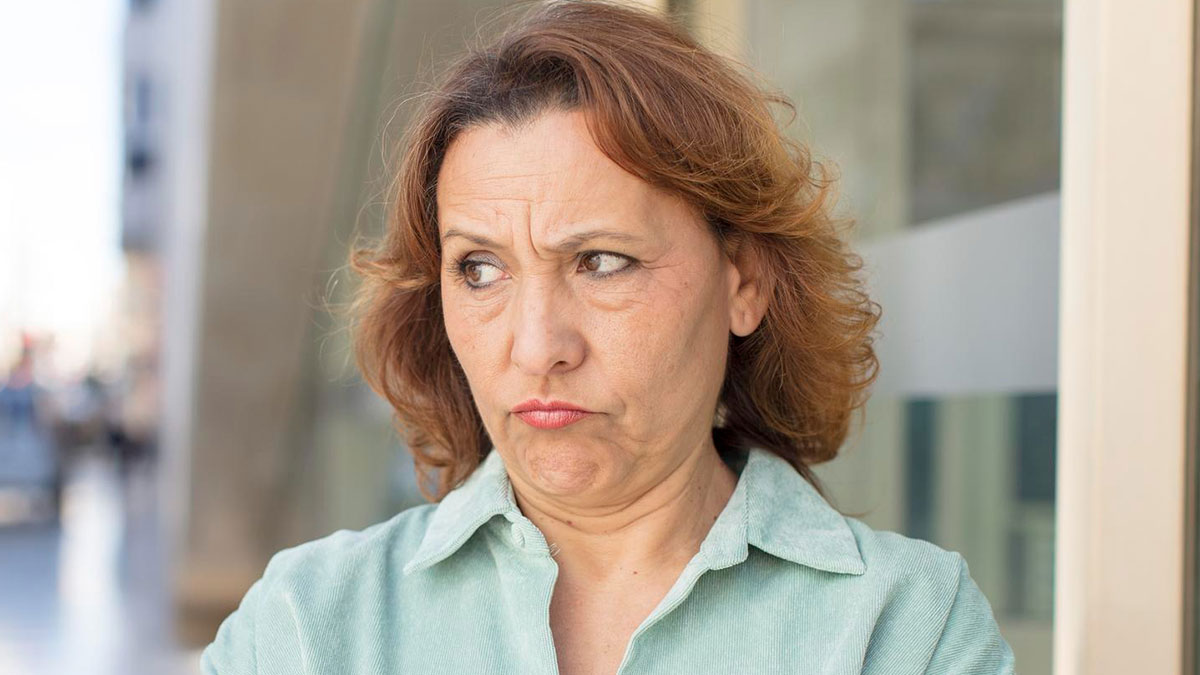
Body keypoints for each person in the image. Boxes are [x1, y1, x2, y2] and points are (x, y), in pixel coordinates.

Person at [201, 1, 1015, 673]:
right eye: (480, 268)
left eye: (600, 261)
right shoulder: (311, 623)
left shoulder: (903, 628)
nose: (536, 346)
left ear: (745, 281)